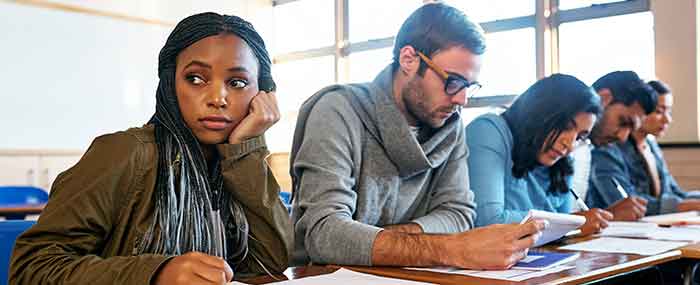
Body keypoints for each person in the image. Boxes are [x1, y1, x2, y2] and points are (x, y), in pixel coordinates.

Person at [10, 12, 292, 285]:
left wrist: (245, 150)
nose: (218, 98)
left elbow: (268, 264)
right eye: (196, 78)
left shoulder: (237, 161)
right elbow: (31, 268)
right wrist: (156, 274)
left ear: (262, 94)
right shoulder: (126, 152)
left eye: (237, 82)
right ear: (170, 84)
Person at [291, 3, 544, 270]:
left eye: (469, 86)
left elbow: (460, 214)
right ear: (409, 59)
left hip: (410, 274)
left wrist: (390, 241)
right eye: (453, 81)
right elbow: (324, 233)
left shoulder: (449, 123)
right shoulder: (337, 110)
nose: (462, 99)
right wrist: (450, 249)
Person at [466, 74, 613, 235]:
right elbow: (488, 222)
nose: (570, 145)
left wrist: (568, 224)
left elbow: (562, 232)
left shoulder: (561, 163)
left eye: (580, 137)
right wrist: (571, 223)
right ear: (539, 114)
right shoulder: (488, 130)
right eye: (565, 126)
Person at [587, 80, 700, 214]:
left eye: (668, 112)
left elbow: (673, 191)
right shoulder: (607, 147)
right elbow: (626, 203)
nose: (667, 120)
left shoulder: (651, 146)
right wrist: (686, 206)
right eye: (658, 111)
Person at [586, 71, 658, 221]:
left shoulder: (592, 147)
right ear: (603, 99)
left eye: (631, 130)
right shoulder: (560, 147)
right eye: (623, 122)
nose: (622, 137)